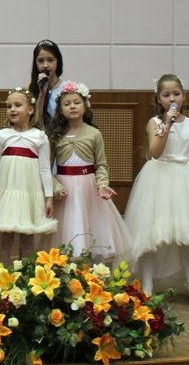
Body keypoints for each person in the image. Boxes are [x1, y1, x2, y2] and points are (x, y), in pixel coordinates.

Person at [123, 74, 189, 303]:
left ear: (184, 96)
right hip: (159, 179)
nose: (172, 98)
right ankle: (147, 285)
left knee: (186, 235)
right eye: (166, 95)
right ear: (158, 98)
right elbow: (155, 152)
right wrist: (167, 123)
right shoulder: (155, 123)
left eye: (176, 94)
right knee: (152, 234)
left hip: (185, 181)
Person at [46, 81, 131, 263]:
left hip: (90, 190)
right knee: (67, 235)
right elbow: (45, 168)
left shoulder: (94, 134)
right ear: (60, 109)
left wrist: (102, 184)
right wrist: (55, 186)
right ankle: (69, 274)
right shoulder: (55, 135)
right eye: (67, 104)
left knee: (93, 231)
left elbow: (101, 165)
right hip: (65, 192)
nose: (72, 106)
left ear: (85, 105)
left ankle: (92, 276)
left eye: (77, 102)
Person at [0, 87, 56, 260]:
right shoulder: (2, 135)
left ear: (30, 109)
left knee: (28, 239)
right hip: (7, 194)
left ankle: (26, 273)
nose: (12, 109)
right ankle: (2, 273)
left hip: (29, 194)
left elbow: (45, 169)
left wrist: (49, 197)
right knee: (6, 238)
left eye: (17, 105)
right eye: (9, 106)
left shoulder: (39, 137)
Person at [27, 39, 67, 125]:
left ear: (58, 61)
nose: (45, 65)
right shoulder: (28, 89)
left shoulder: (67, 88)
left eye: (50, 60)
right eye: (41, 61)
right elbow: (33, 122)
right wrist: (42, 93)